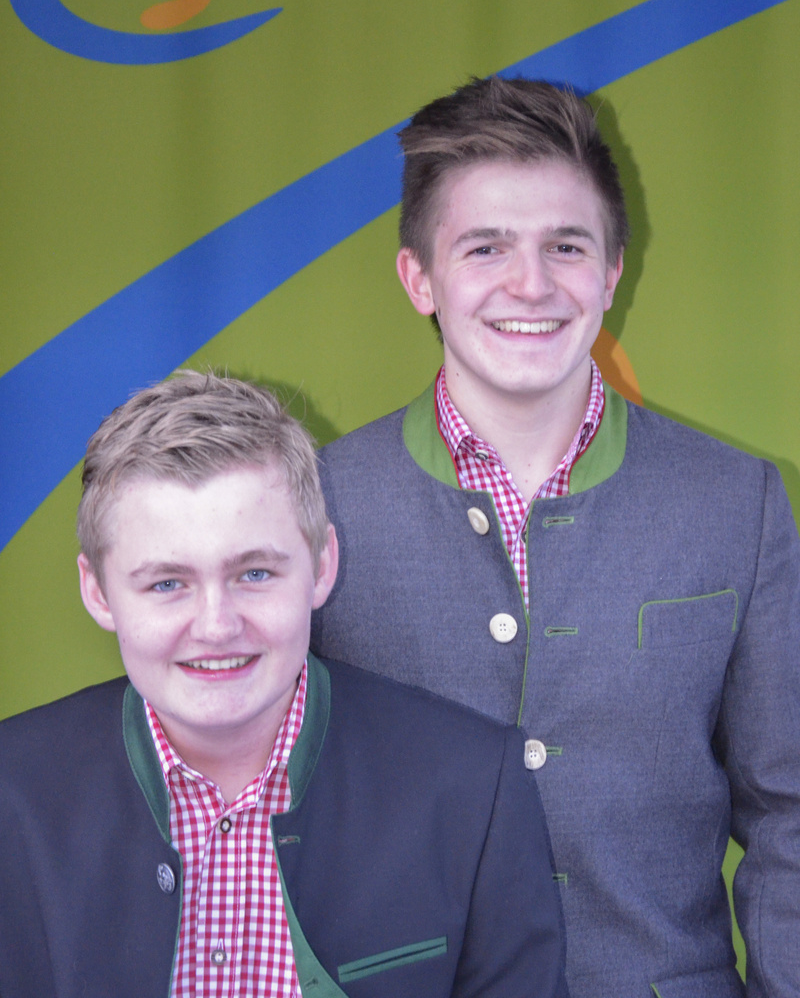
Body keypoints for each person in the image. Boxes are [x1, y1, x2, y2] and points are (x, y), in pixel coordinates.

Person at [311, 76, 800, 997]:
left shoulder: (739, 501)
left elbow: (791, 811)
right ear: (419, 278)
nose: (530, 284)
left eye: (566, 246)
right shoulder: (315, 505)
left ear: (612, 271)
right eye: (485, 246)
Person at [0, 370, 568, 998]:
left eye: (255, 574)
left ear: (322, 566)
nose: (216, 626)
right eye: (167, 583)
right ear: (98, 592)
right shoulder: (11, 793)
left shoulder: (473, 787)